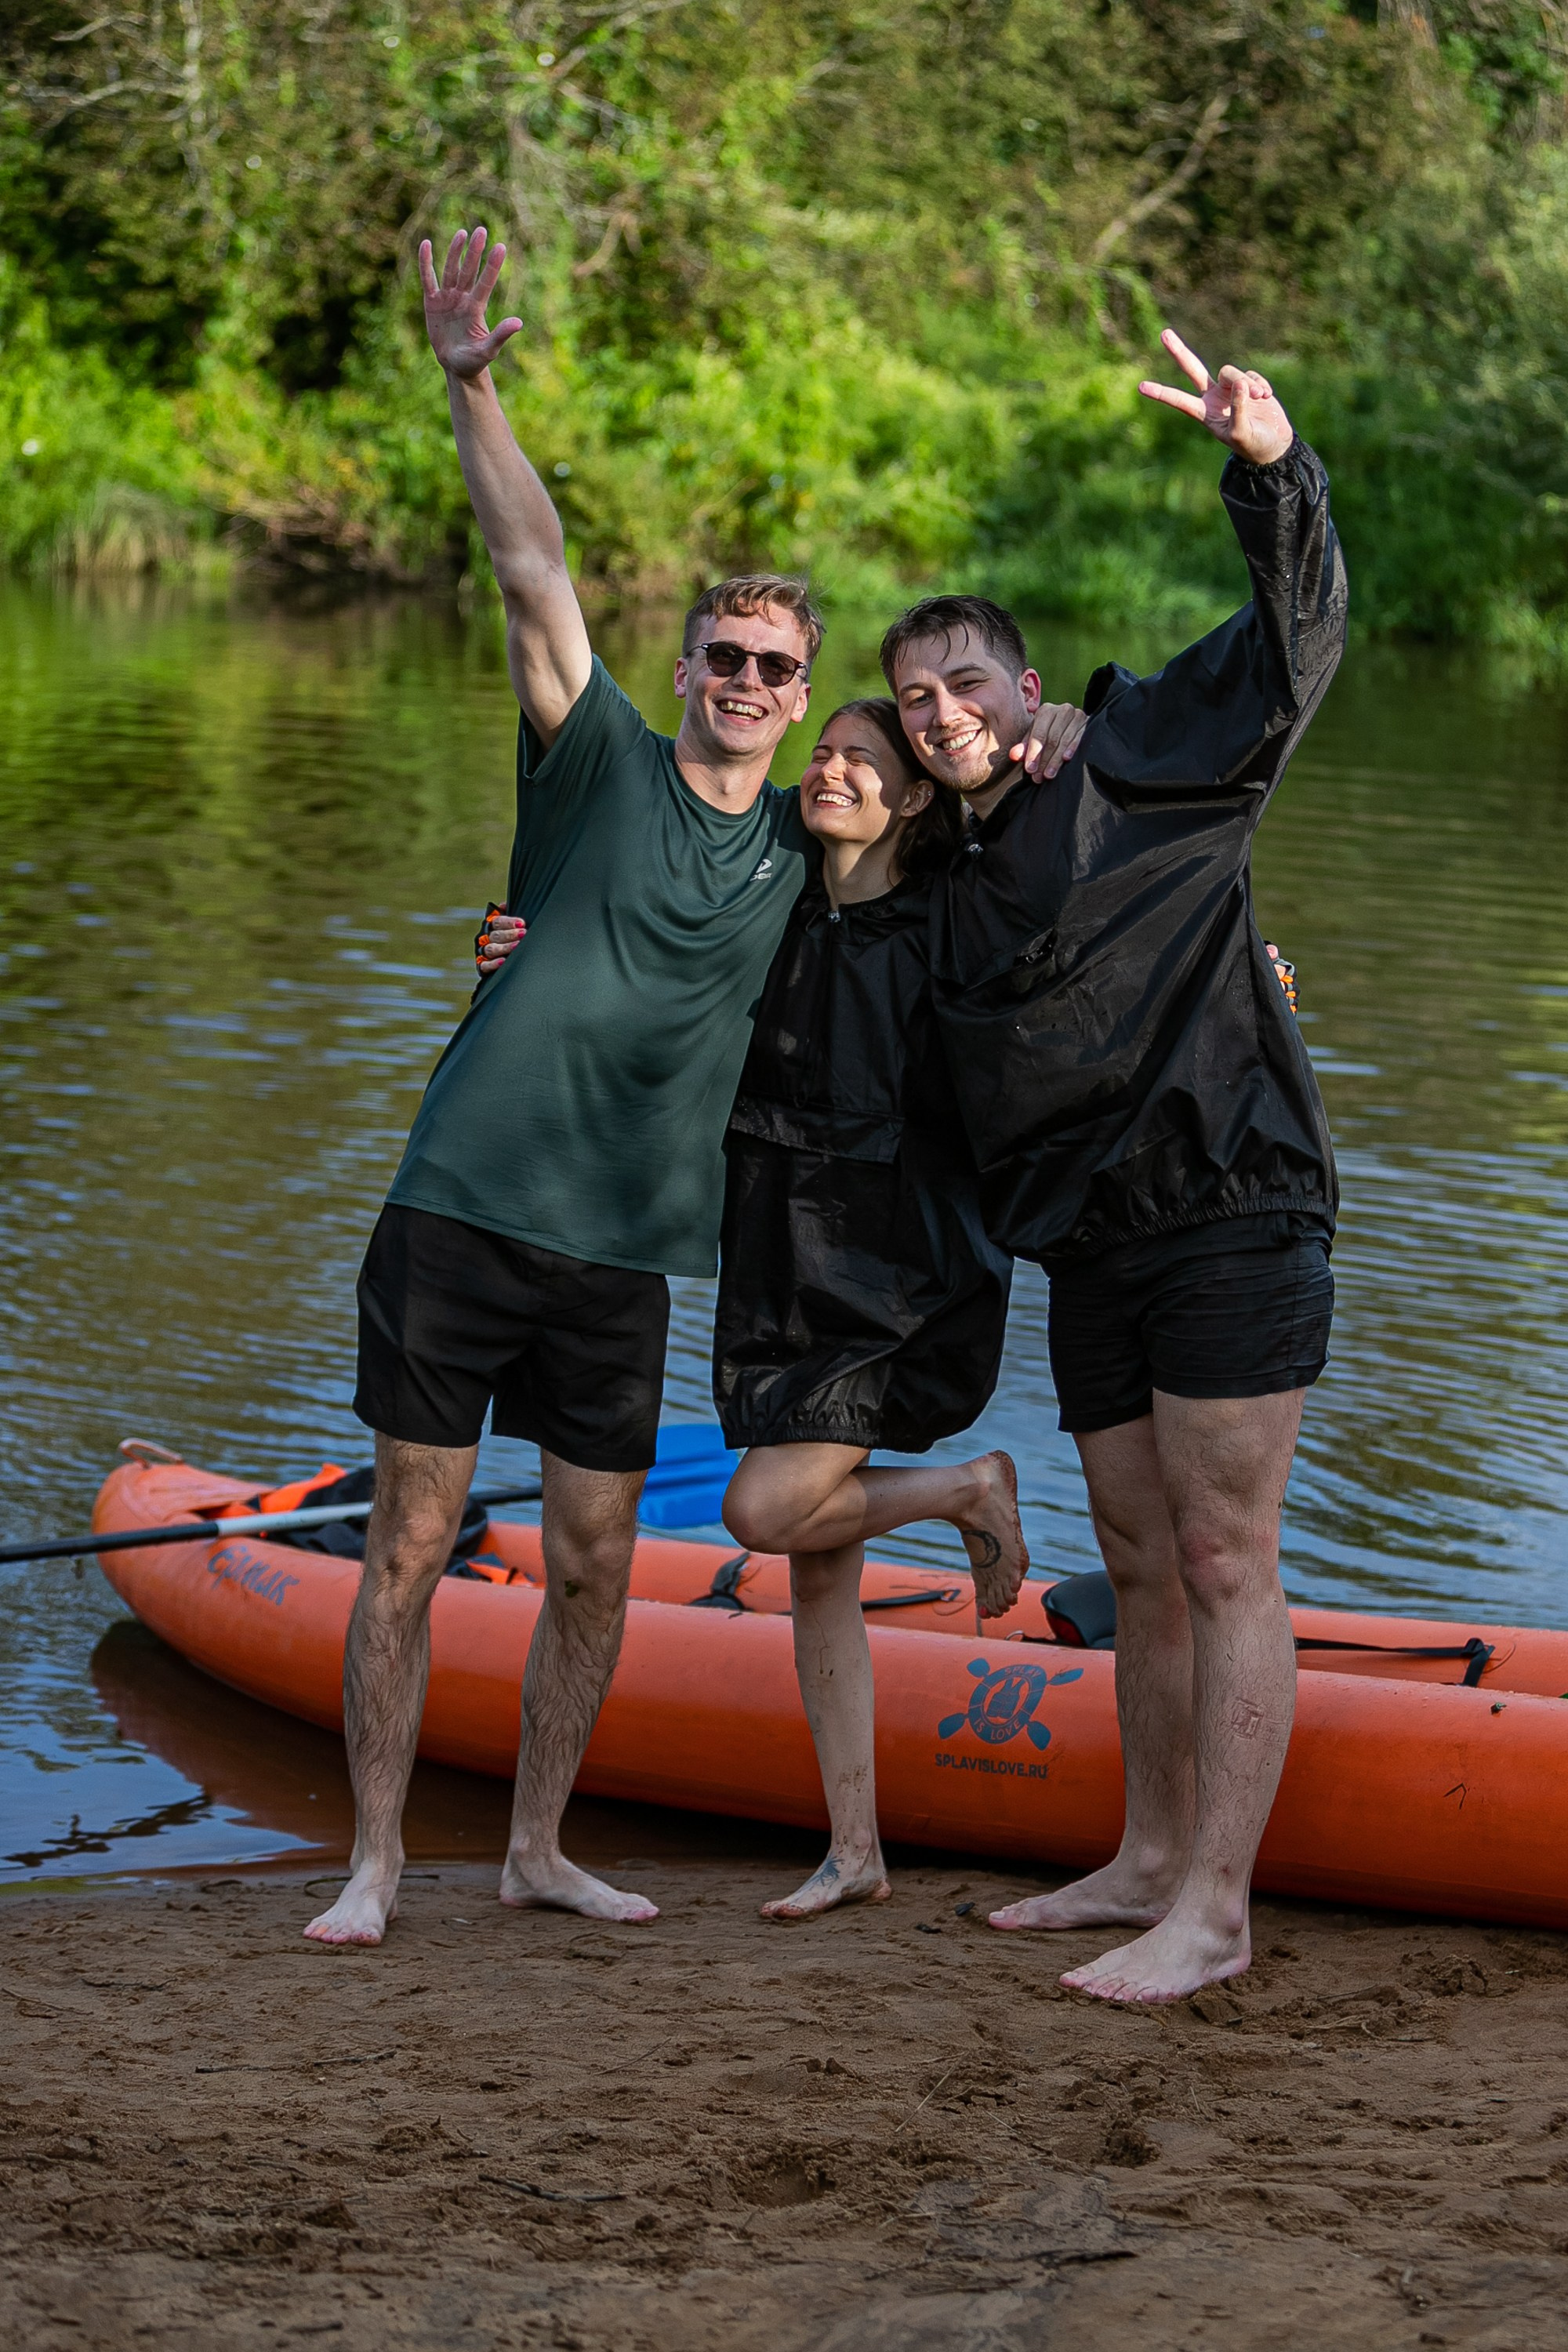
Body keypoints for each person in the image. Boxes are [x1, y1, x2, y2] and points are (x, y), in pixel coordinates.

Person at [306, 227, 824, 1947]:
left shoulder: (817, 864)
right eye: (723, 654)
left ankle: (533, 1847)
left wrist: (1236, 963)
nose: (744, 682)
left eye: (773, 668)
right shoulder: (596, 752)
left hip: (621, 1250)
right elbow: (530, 567)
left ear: (805, 702)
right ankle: (375, 1862)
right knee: (409, 1542)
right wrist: (472, 387)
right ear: (683, 666)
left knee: (593, 1561)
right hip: (462, 1201)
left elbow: (979, 897)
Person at [879, 330, 1348, 2005]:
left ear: (1025, 690)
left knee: (1227, 1557)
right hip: (1093, 1246)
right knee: (1141, 1561)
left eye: (969, 687)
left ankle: (1214, 1913)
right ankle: (1147, 1860)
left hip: (1231, 1200)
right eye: (917, 698)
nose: (945, 717)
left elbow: (1296, 650)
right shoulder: (940, 890)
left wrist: (1268, 468)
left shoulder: (1141, 752)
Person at [711, 698, 1037, 1920]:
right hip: (778, 1257)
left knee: (765, 1510)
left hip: (898, 1272)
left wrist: (1245, 967)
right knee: (816, 1564)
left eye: (865, 758)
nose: (831, 767)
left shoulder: (950, 925)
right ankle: (856, 1849)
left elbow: (1071, 980)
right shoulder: (775, 901)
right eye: (826, 749)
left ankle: (968, 1487)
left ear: (911, 800)